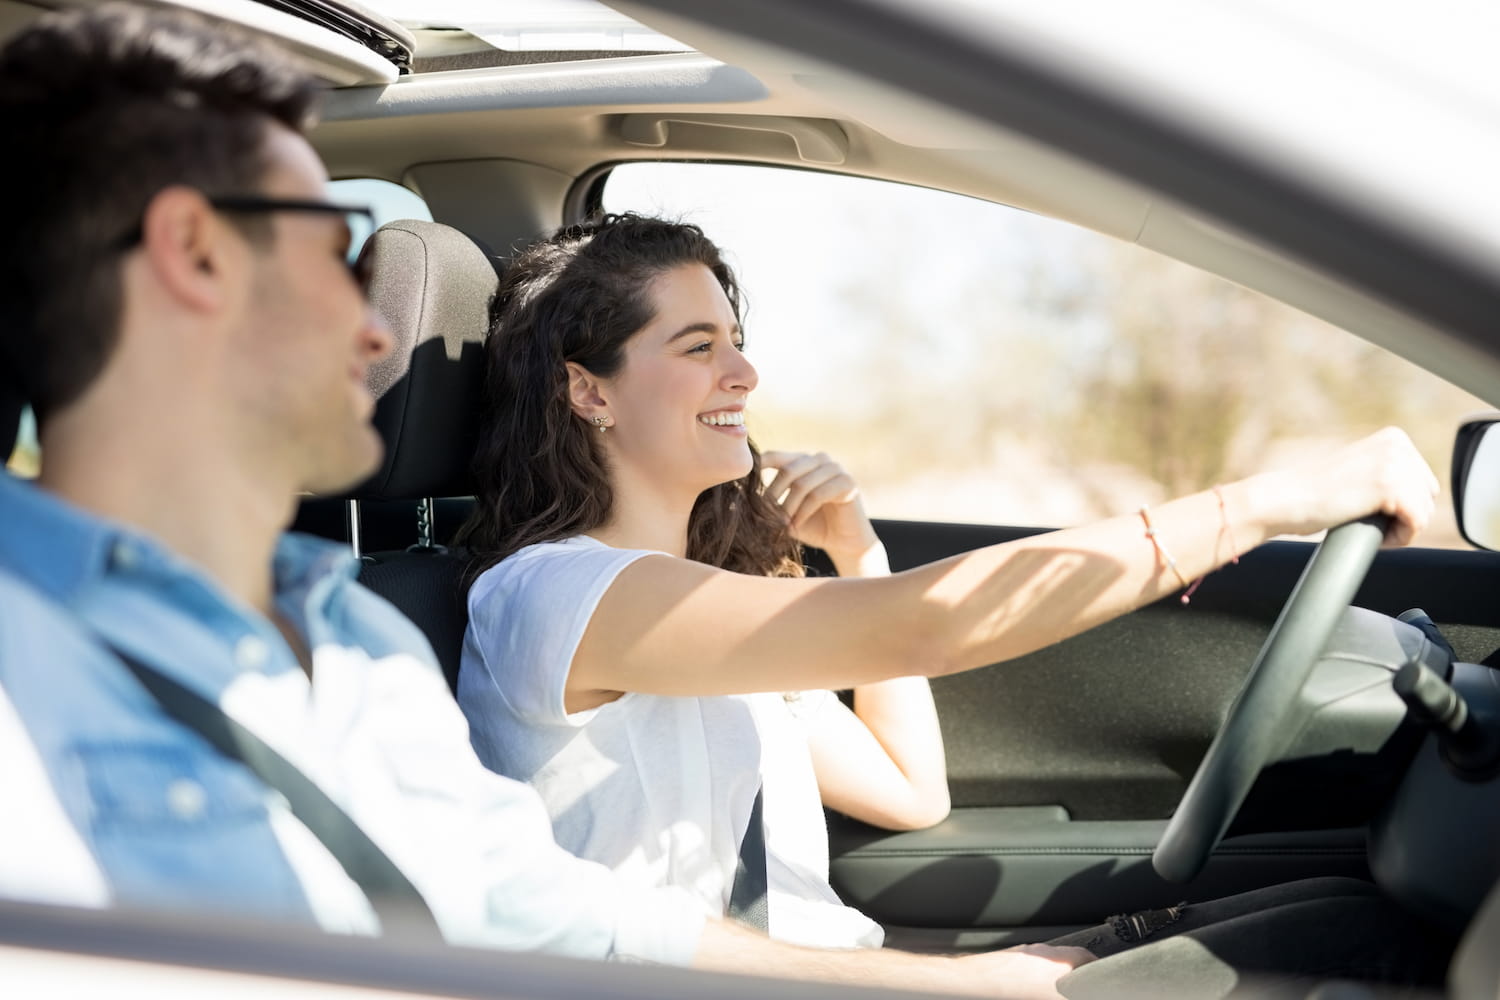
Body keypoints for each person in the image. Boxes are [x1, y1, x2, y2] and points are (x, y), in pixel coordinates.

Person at [0, 5, 1098, 997]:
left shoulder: (356, 633)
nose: (379, 331)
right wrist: (1237, 513)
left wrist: (963, 985)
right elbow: (923, 626)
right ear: (195, 252)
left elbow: (567, 919)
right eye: (333, 253)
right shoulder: (25, 667)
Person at [454, 215, 1442, 961]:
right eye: (698, 345)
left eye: (736, 337)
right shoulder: (558, 596)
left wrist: (862, 552)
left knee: (1348, 920)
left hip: (834, 968)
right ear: (589, 391)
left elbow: (909, 790)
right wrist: (1278, 501)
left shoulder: (711, 604)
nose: (745, 373)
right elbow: (932, 626)